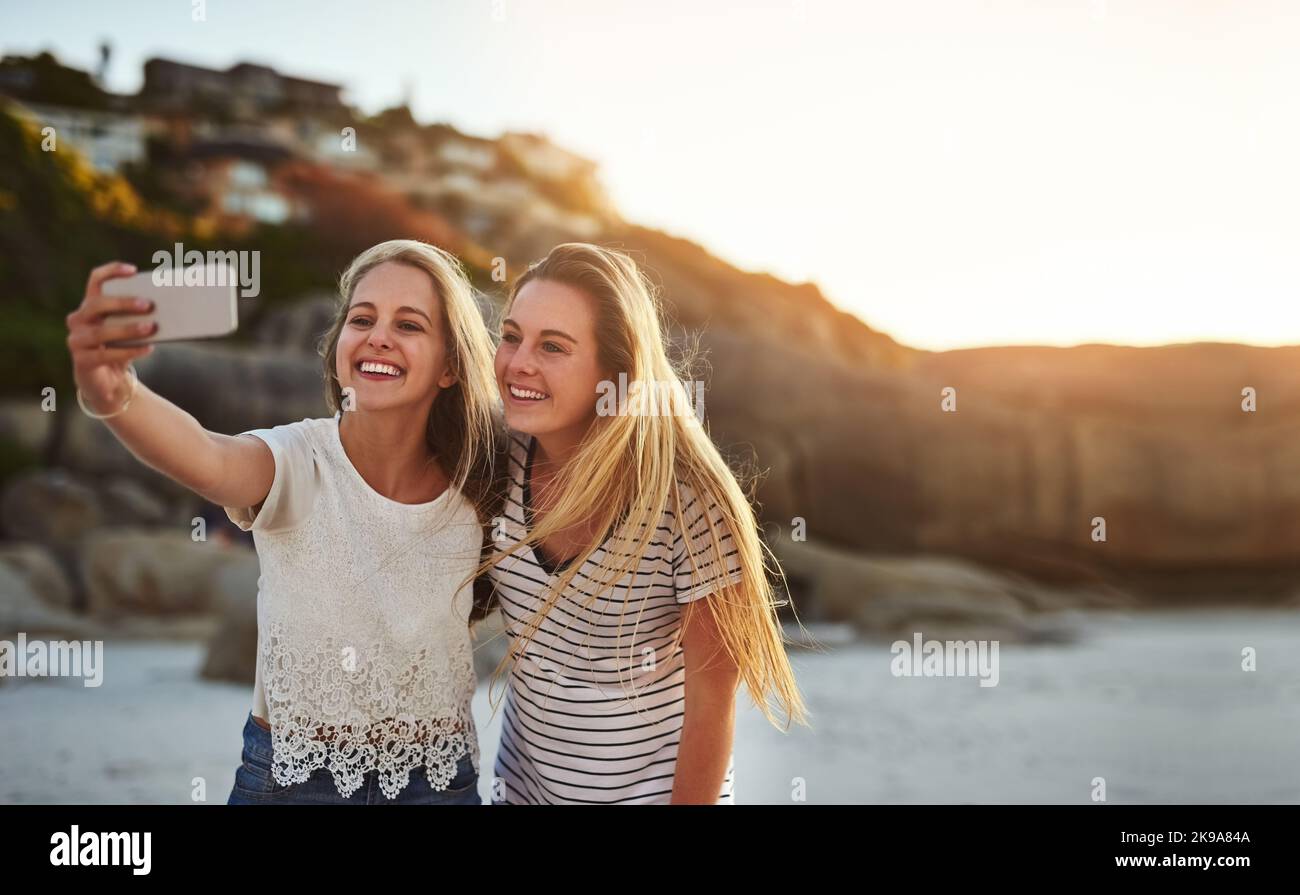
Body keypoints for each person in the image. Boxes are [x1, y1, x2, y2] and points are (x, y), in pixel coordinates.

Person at [65, 240, 498, 804]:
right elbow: (209, 457)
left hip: (440, 784)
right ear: (339, 345)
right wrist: (114, 390)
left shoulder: (478, 484)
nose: (377, 335)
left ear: (449, 366)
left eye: (409, 325)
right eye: (361, 319)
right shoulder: (298, 460)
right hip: (294, 785)